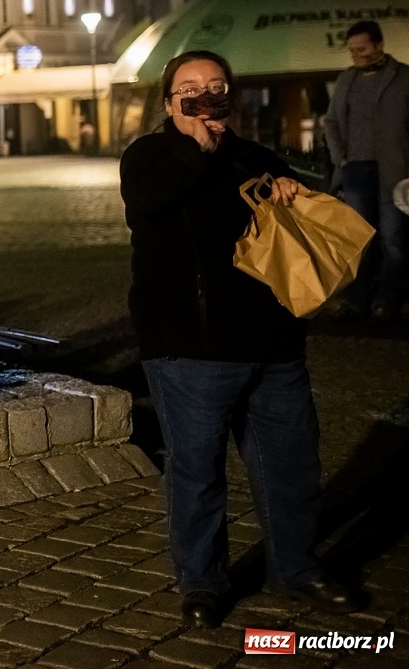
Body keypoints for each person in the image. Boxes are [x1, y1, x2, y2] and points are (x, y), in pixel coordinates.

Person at [121, 49, 360, 628]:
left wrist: (285, 188)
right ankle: (203, 582)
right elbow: (147, 205)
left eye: (216, 86)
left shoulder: (253, 157)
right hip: (189, 349)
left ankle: (295, 570)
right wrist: (198, 147)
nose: (205, 96)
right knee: (198, 470)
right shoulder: (149, 156)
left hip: (274, 344)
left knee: (291, 466)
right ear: (170, 102)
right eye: (190, 89)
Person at [321, 20, 409, 320]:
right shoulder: (347, 79)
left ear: (379, 45)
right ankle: (358, 297)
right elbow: (330, 121)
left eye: (362, 48)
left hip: (394, 170)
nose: (357, 55)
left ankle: (388, 296)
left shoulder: (403, 77)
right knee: (359, 238)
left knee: (392, 237)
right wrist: (340, 158)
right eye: (352, 50)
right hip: (356, 168)